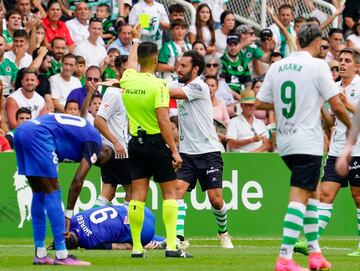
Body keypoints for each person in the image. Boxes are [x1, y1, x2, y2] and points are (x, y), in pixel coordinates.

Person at [255, 23, 351, 271]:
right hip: (307, 140)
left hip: (285, 140)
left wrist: (295, 102)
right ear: (318, 41)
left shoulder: (277, 67)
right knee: (299, 196)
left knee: (313, 194)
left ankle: (315, 253)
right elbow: (337, 106)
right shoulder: (318, 66)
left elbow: (260, 103)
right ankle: (285, 258)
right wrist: (352, 128)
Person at [119, 25, 188, 258]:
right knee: (170, 193)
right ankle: (170, 245)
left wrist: (136, 39)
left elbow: (129, 62)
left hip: (134, 143)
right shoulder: (158, 85)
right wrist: (175, 151)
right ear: (157, 59)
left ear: (139, 58)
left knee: (137, 195)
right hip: (156, 143)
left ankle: (137, 247)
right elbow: (163, 120)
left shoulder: (127, 79)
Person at [14, 113, 113, 265]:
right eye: (100, 161)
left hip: (22, 131)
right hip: (38, 135)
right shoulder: (95, 142)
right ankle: (61, 255)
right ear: (105, 150)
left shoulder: (82, 136)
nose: (96, 163)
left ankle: (40, 254)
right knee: (53, 191)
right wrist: (68, 215)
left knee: (39, 193)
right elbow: (78, 181)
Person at [168, 50, 233, 249]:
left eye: (184, 66)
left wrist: (142, 87)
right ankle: (178, 238)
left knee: (216, 199)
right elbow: (165, 89)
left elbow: (169, 92)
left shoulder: (199, 86)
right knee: (177, 191)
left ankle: (223, 233)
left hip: (209, 151)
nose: (179, 68)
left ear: (195, 69)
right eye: (179, 64)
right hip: (187, 152)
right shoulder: (180, 83)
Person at [317, 48, 360, 257]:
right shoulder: (333, 88)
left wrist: (347, 104)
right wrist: (320, 108)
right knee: (325, 194)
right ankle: (311, 242)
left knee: (358, 197)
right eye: (340, 60)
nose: (342, 64)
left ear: (356, 66)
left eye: (347, 61)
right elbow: (331, 122)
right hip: (336, 150)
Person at [93, 82, 131, 208]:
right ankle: (127, 225)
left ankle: (89, 224)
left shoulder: (123, 95)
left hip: (109, 151)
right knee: (132, 192)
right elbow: (98, 120)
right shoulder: (114, 93)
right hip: (119, 151)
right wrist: (116, 142)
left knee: (108, 192)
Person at [60, 205, 165, 250]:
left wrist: (140, 246)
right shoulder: (74, 218)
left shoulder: (91, 243)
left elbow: (126, 247)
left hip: (145, 231)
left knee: (126, 236)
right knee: (120, 229)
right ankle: (167, 241)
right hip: (143, 210)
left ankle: (152, 243)